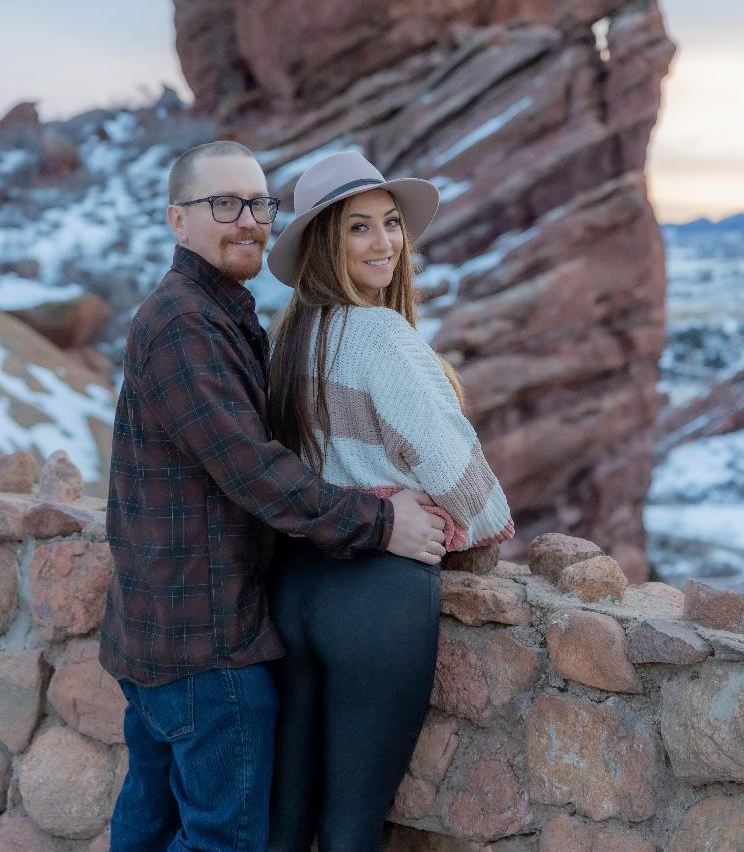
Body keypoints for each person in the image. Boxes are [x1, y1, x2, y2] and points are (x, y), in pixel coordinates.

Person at [99, 140, 446, 852]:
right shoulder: (185, 324)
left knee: (149, 823)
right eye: (223, 204)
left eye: (258, 204)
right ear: (177, 219)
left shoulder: (218, 312)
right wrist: (379, 523)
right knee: (224, 840)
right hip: (206, 647)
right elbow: (252, 469)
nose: (247, 220)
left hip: (162, 636)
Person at [265, 150, 515, 852]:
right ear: (324, 242)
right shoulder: (378, 333)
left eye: (390, 224)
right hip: (375, 598)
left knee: (282, 827)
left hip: (296, 584)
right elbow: (453, 469)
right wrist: (481, 527)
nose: (383, 244)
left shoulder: (290, 338)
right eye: (357, 229)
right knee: (350, 829)